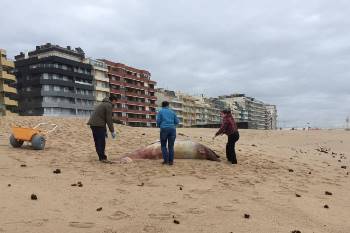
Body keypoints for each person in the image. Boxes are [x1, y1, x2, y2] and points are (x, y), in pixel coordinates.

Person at [87, 96, 116, 163]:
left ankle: (100, 156)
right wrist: (112, 131)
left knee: (97, 141)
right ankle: (102, 158)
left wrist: (105, 131)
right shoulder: (108, 105)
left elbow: (102, 118)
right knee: (101, 142)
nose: (115, 104)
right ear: (113, 100)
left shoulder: (102, 104)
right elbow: (108, 119)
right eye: (115, 102)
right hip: (98, 125)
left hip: (93, 124)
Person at [156, 101, 179, 165]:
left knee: (163, 145)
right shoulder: (172, 112)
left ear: (162, 106)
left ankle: (166, 160)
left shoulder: (160, 112)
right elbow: (177, 122)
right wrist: (172, 124)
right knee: (171, 146)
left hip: (164, 129)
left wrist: (159, 126)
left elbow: (158, 121)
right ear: (168, 105)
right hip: (172, 130)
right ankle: (171, 161)